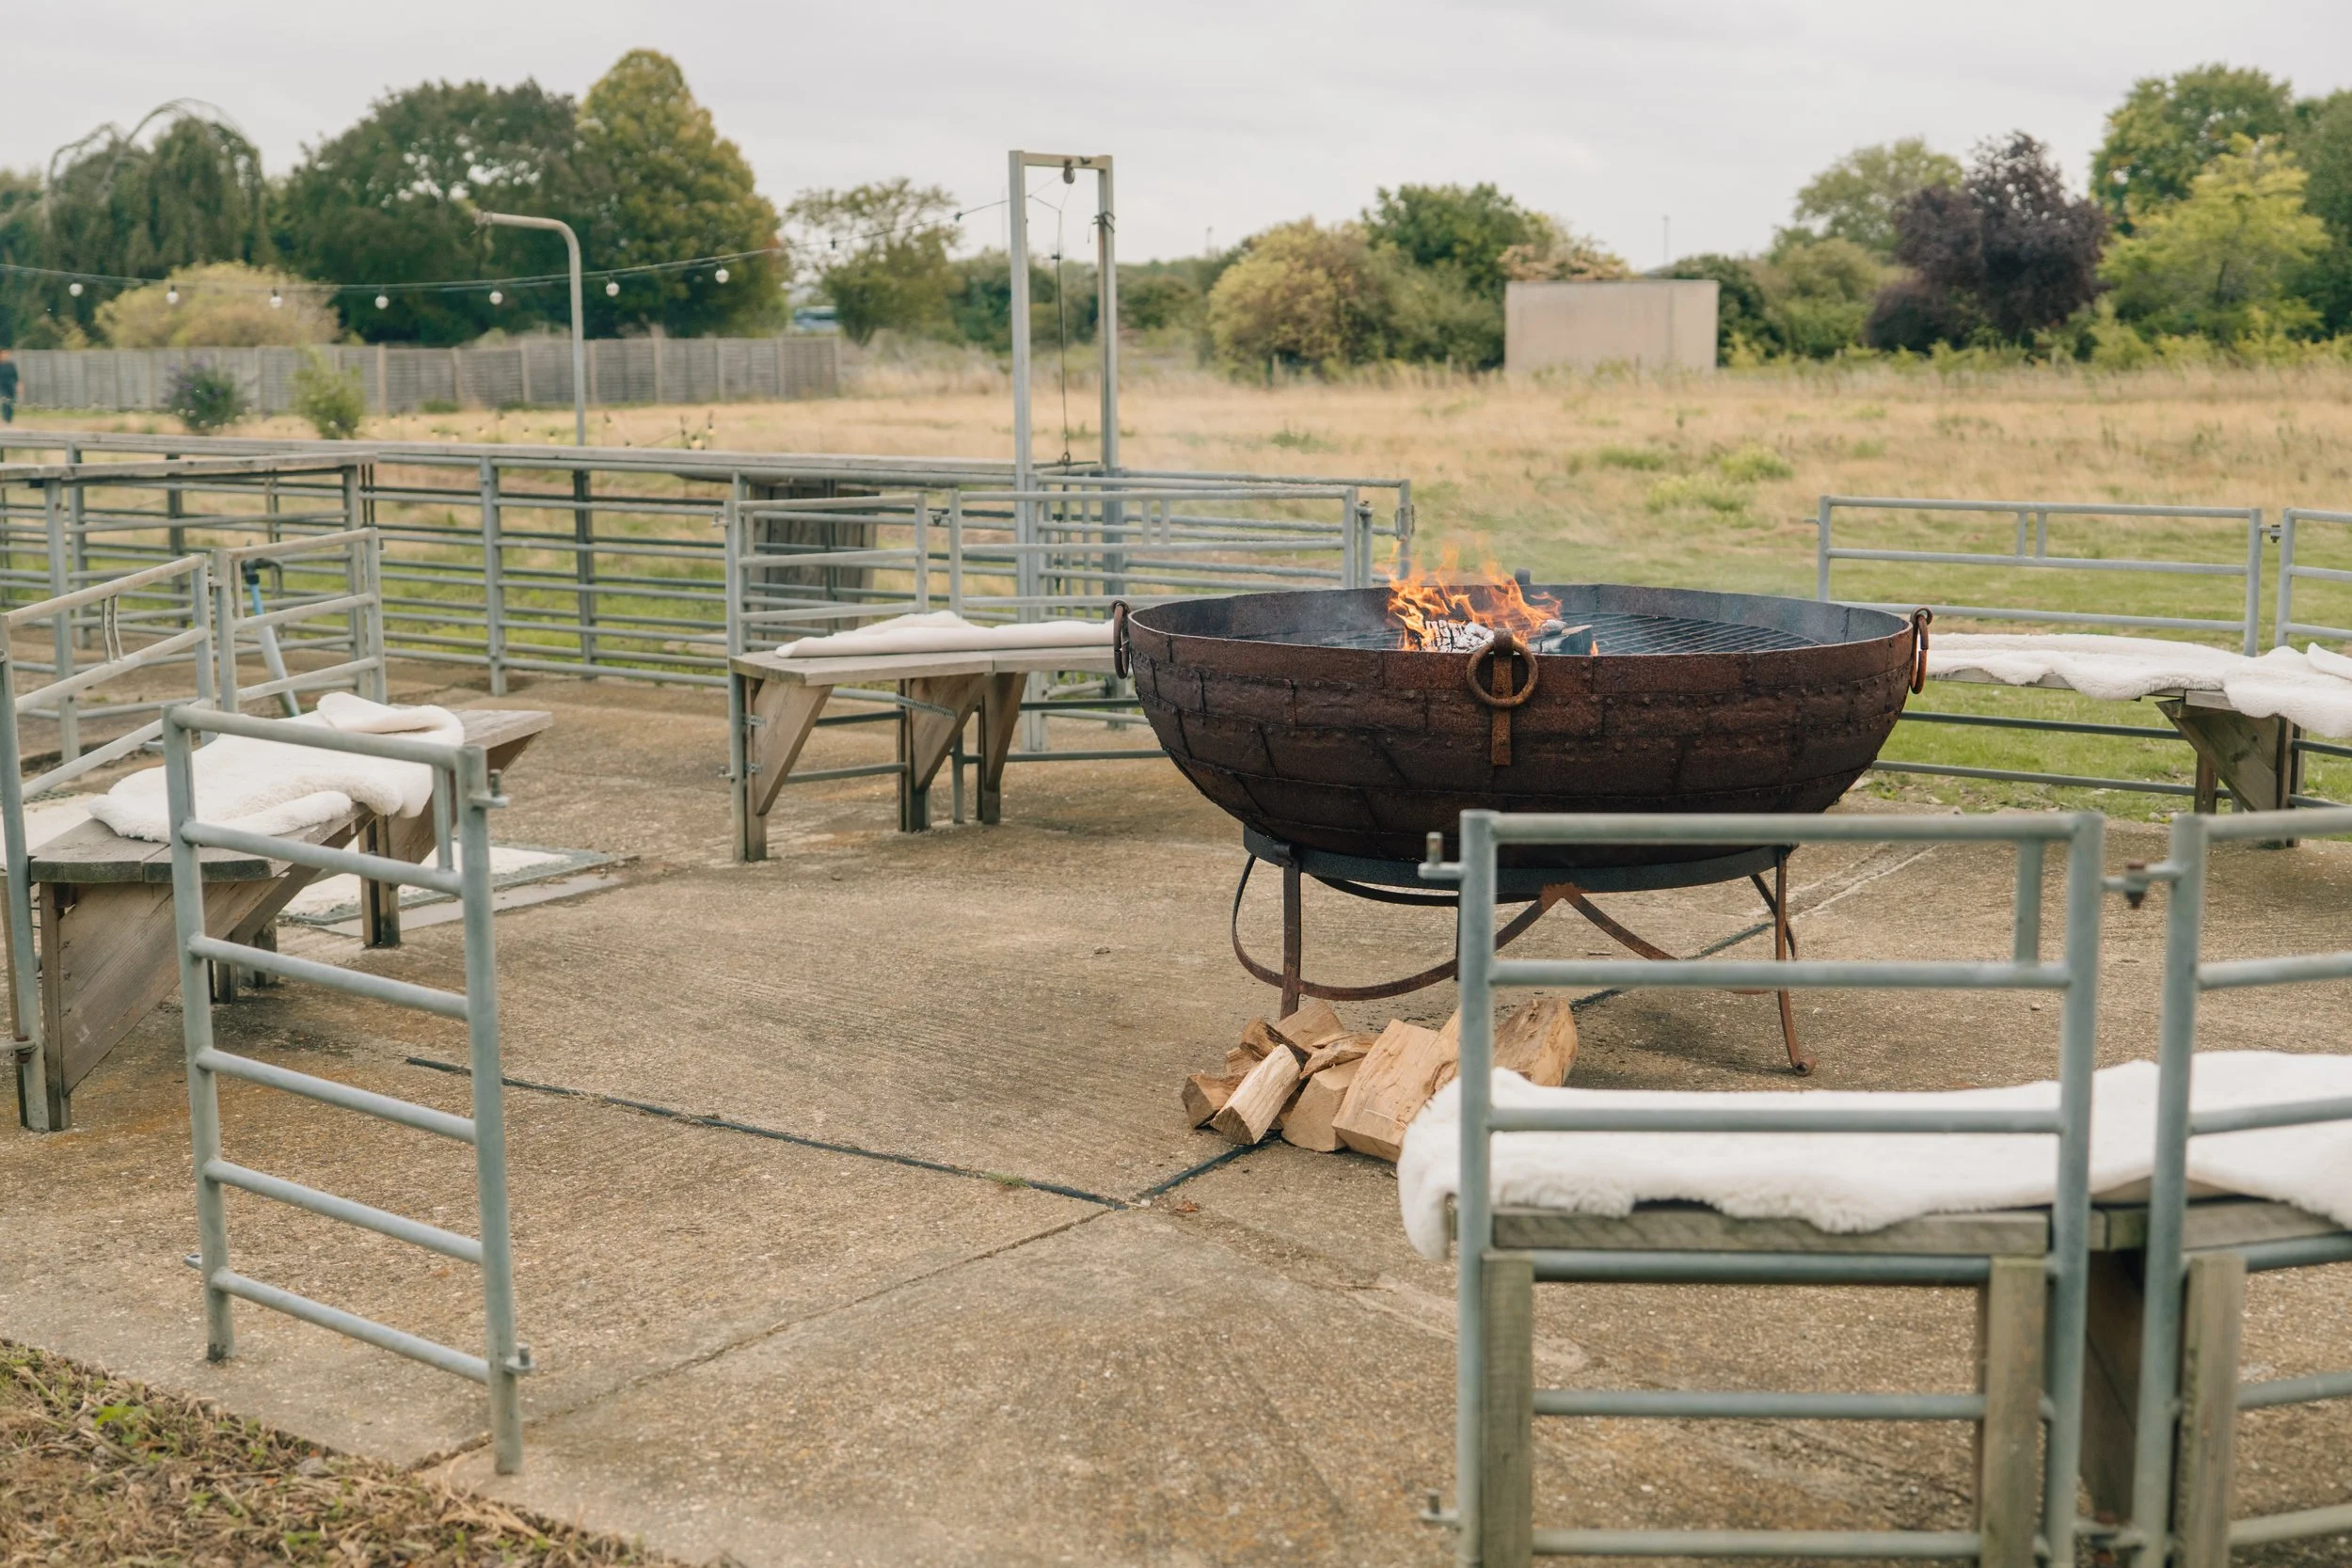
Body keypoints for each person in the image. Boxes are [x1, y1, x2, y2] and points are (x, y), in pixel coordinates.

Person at [0, 348, 16, 424]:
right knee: (5, 400)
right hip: (2, 386)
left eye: (6, 354)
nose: (5, 355)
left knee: (10, 402)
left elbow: (16, 376)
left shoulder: (11, 365)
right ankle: (5, 417)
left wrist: (19, 385)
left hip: (10, 385)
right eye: (3, 354)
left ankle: (9, 419)